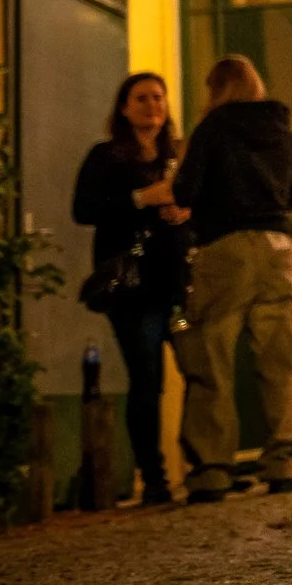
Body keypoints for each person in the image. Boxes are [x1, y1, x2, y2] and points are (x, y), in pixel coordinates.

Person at [169, 55, 292, 502]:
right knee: (282, 360)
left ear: (217, 89)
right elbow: (291, 195)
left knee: (211, 357)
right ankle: (283, 460)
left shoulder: (213, 129)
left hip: (225, 247)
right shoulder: (285, 134)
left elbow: (185, 192)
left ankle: (213, 468)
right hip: (278, 248)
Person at [70, 73, 192, 505]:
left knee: (200, 369)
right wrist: (143, 198)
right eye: (141, 98)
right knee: (147, 380)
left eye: (158, 97)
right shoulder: (107, 157)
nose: (151, 105)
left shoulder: (179, 156)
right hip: (134, 288)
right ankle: (154, 477)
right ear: (124, 108)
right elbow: (83, 209)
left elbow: (201, 203)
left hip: (177, 282)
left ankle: (205, 465)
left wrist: (184, 210)